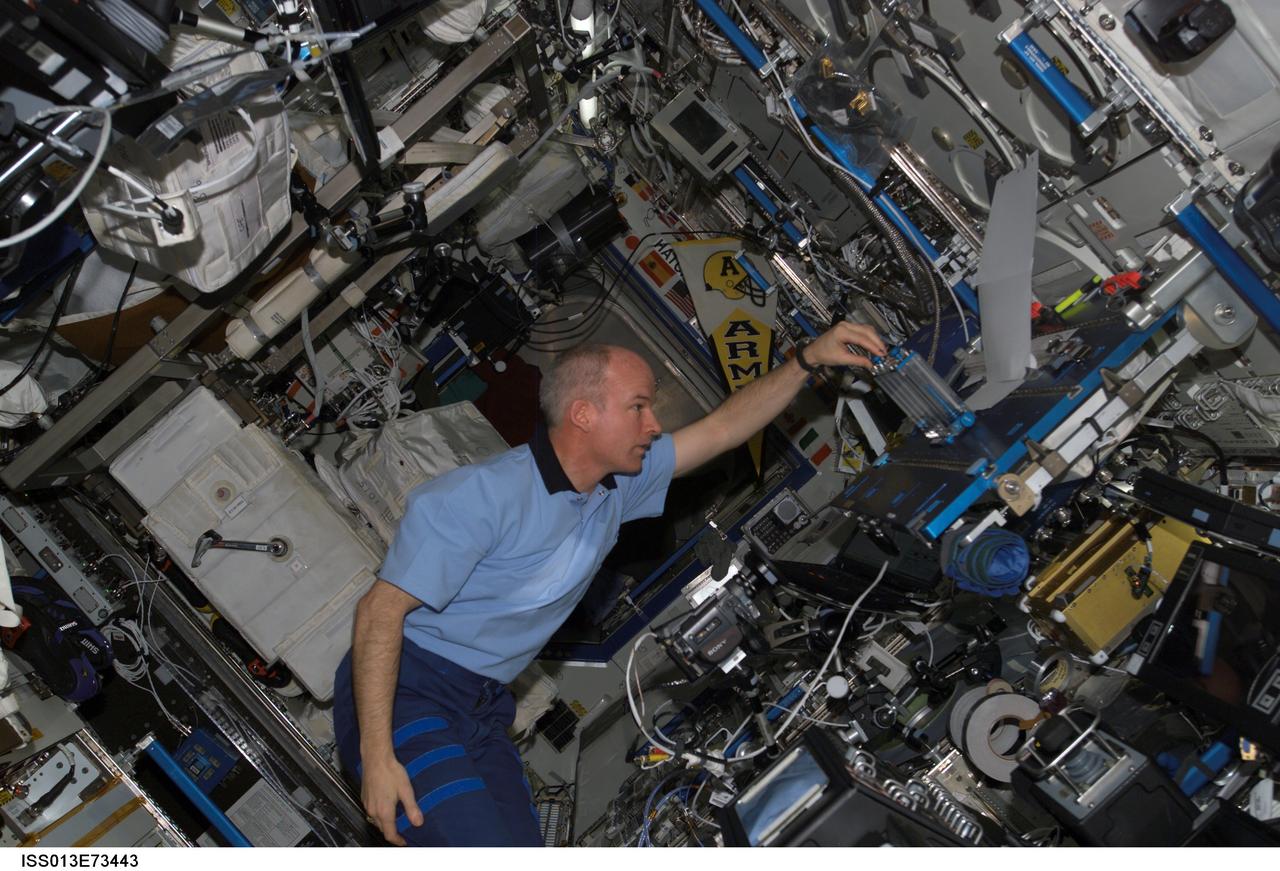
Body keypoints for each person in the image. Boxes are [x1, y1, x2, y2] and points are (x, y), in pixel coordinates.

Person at [331, 320, 887, 846]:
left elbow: (721, 429)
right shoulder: (479, 498)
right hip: (409, 695)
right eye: (638, 407)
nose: (653, 425)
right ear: (583, 415)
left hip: (482, 705)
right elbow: (378, 614)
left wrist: (806, 361)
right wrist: (378, 756)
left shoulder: (615, 488)